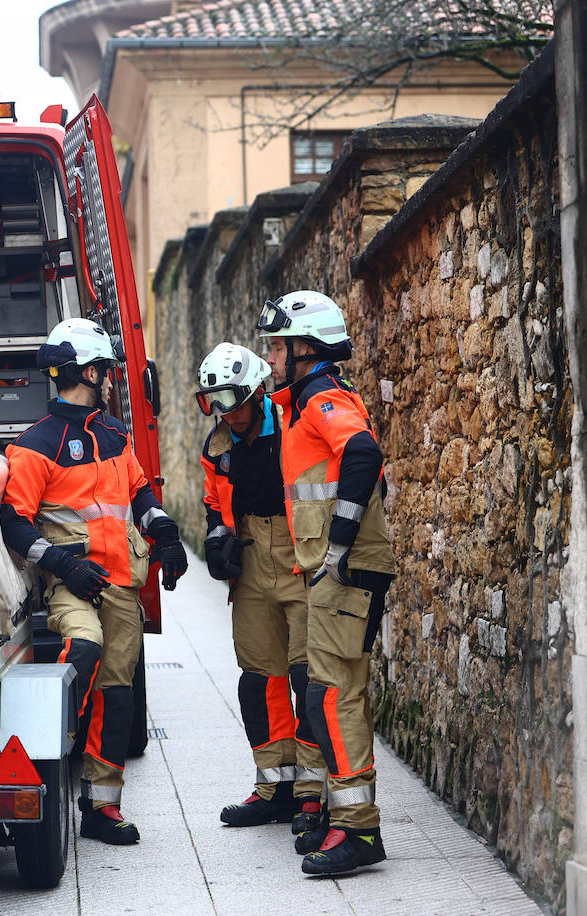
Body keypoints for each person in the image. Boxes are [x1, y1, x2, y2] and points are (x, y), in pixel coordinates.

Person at [1, 317, 189, 846]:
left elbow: (140, 497)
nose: (109, 379)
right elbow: (15, 522)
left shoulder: (114, 435)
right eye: (104, 370)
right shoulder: (34, 445)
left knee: (119, 694)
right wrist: (63, 566)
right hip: (72, 586)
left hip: (122, 584)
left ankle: (102, 807)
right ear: (87, 371)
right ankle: (42, 757)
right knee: (84, 649)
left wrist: (167, 536)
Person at [256, 290, 396, 875]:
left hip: (346, 566)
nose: (271, 359)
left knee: (334, 694)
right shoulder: (303, 400)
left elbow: (363, 453)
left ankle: (359, 833)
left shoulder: (324, 396)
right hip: (335, 567)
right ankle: (341, 820)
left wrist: (337, 544)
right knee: (328, 691)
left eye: (278, 347)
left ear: (305, 348)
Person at [195, 342, 326, 833]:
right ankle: (275, 787)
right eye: (216, 405)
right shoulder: (219, 446)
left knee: (308, 677)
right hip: (251, 561)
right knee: (259, 678)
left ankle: (313, 793)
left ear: (256, 392)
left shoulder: (294, 425)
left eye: (232, 403)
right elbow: (214, 503)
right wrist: (217, 541)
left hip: (300, 556)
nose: (226, 415)